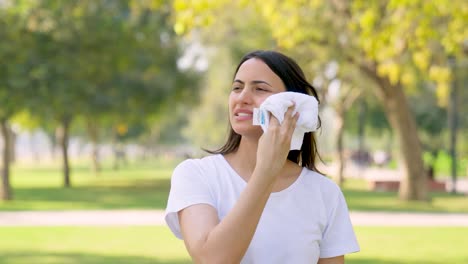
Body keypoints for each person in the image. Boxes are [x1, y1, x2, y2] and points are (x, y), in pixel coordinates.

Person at [165, 50, 360, 263]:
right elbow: (212, 259)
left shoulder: (325, 193)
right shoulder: (196, 175)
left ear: (292, 104)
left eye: (259, 89)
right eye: (237, 88)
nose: (242, 98)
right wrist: (266, 172)